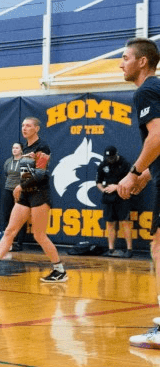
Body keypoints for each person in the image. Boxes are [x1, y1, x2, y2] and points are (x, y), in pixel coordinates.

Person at [0, 117, 67, 283]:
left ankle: (59, 270)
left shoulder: (42, 146)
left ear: (36, 128)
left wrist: (20, 186)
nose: (24, 128)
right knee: (10, 230)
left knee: (39, 235)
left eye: (28, 125)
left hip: (40, 194)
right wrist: (22, 188)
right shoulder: (26, 149)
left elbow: (41, 173)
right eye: (23, 125)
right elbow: (27, 175)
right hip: (26, 195)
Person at [116, 37, 160, 349]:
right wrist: (146, 174)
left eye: (125, 57)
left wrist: (133, 173)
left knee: (158, 247)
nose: (121, 63)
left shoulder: (146, 89)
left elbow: (157, 135)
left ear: (141, 62)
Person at [96, 145, 133, 258]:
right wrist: (104, 190)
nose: (110, 160)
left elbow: (131, 181)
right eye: (108, 158)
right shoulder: (103, 165)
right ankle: (111, 249)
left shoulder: (124, 164)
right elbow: (98, 181)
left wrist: (116, 187)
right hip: (108, 198)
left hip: (122, 196)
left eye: (112, 158)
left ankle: (129, 250)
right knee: (110, 224)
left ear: (116, 155)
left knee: (125, 222)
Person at [0, 142, 27, 252]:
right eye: (13, 147)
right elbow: (7, 174)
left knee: (20, 217)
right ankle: (7, 242)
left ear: (21, 150)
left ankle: (19, 243)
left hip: (20, 191)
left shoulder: (25, 161)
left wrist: (20, 188)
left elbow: (26, 178)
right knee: (7, 215)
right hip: (8, 190)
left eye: (17, 148)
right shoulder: (8, 161)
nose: (14, 149)